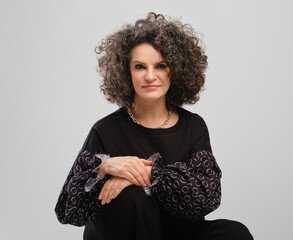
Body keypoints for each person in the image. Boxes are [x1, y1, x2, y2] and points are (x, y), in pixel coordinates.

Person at [55, 12, 253, 240]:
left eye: (160, 65)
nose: (150, 76)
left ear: (175, 70)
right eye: (140, 67)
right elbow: (69, 212)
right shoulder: (106, 130)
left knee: (233, 233)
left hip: (178, 234)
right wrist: (103, 170)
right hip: (126, 234)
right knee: (131, 198)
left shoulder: (193, 127)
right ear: (126, 72)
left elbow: (206, 199)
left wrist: (147, 172)